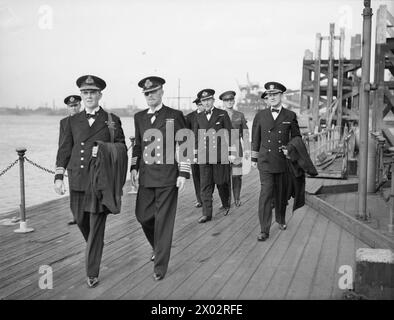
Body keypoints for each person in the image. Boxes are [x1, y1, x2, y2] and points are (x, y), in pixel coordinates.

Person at [54, 75, 126, 288]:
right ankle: (95, 244)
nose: (88, 96)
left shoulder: (112, 120)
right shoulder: (70, 121)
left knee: (96, 226)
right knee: (79, 219)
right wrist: (58, 177)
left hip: (98, 181)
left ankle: (92, 271)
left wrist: (103, 148)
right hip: (76, 179)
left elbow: (122, 147)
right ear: (81, 95)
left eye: (92, 93)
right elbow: (64, 149)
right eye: (85, 93)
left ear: (99, 95)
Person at [130, 76, 190, 281]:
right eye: (146, 93)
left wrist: (183, 172)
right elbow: (137, 145)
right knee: (143, 216)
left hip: (167, 177)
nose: (150, 96)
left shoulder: (174, 115)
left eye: (154, 92)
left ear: (162, 92)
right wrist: (133, 168)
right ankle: (157, 246)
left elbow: (185, 143)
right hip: (146, 176)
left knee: (164, 222)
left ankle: (160, 266)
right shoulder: (139, 117)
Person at [251, 81, 301, 241]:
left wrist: (290, 149)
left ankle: (280, 219)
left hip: (282, 160)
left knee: (281, 193)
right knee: (265, 193)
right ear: (267, 97)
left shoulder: (290, 116)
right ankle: (264, 229)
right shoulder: (260, 115)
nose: (272, 98)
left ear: (281, 96)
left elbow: (296, 137)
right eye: (269, 95)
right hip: (265, 160)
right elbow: (255, 138)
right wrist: (254, 158)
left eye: (275, 95)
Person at [192, 89, 234, 223]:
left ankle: (226, 203)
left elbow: (230, 133)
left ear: (213, 100)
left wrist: (232, 152)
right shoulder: (198, 117)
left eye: (208, 100)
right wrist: (195, 154)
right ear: (201, 102)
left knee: (221, 182)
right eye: (204, 101)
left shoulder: (222, 114)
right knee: (205, 185)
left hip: (220, 155)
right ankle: (207, 213)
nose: (206, 103)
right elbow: (195, 137)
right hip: (204, 156)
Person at [219, 90, 250, 207]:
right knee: (224, 178)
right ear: (223, 102)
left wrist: (247, 148)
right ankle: (226, 201)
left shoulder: (240, 115)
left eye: (231, 100)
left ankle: (237, 198)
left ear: (234, 101)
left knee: (236, 176)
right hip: (222, 151)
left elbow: (245, 133)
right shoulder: (219, 115)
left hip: (237, 150)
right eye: (227, 100)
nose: (229, 102)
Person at [59, 95, 82, 225]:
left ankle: (87, 214)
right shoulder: (64, 122)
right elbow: (62, 143)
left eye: (75, 105)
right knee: (73, 189)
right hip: (72, 161)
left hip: (85, 159)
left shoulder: (85, 120)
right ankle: (76, 216)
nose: (73, 108)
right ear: (68, 108)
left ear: (80, 105)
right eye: (71, 106)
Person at [185, 98, 204, 208]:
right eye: (200, 104)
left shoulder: (209, 116)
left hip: (208, 151)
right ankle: (199, 199)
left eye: (203, 104)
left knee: (207, 175)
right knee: (196, 175)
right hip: (194, 151)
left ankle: (206, 196)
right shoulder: (190, 117)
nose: (202, 106)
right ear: (197, 105)